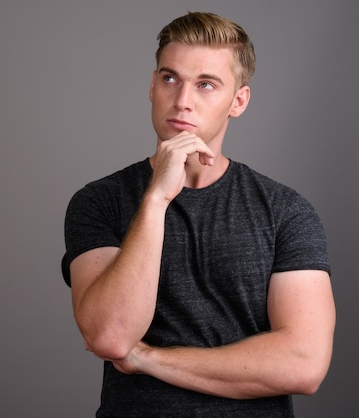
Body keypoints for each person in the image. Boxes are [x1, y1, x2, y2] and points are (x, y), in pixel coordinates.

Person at [61, 11, 335, 417]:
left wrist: (148, 359)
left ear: (238, 101)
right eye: (170, 78)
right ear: (152, 85)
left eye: (206, 84)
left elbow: (304, 364)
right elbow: (111, 336)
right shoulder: (100, 201)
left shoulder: (285, 211)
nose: (182, 100)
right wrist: (156, 199)